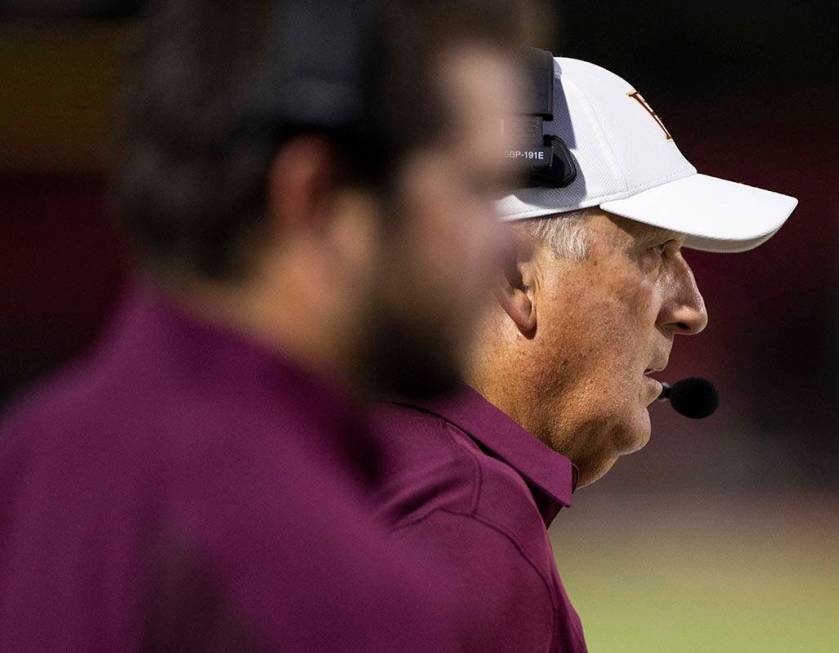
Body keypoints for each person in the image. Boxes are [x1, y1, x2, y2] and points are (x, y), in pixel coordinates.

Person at [0, 0, 528, 650]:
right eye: (476, 188)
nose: (510, 247)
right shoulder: (343, 593)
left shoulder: (27, 457)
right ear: (316, 198)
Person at [374, 57, 798, 651]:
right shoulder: (461, 519)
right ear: (515, 275)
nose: (693, 307)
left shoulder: (376, 457)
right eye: (652, 251)